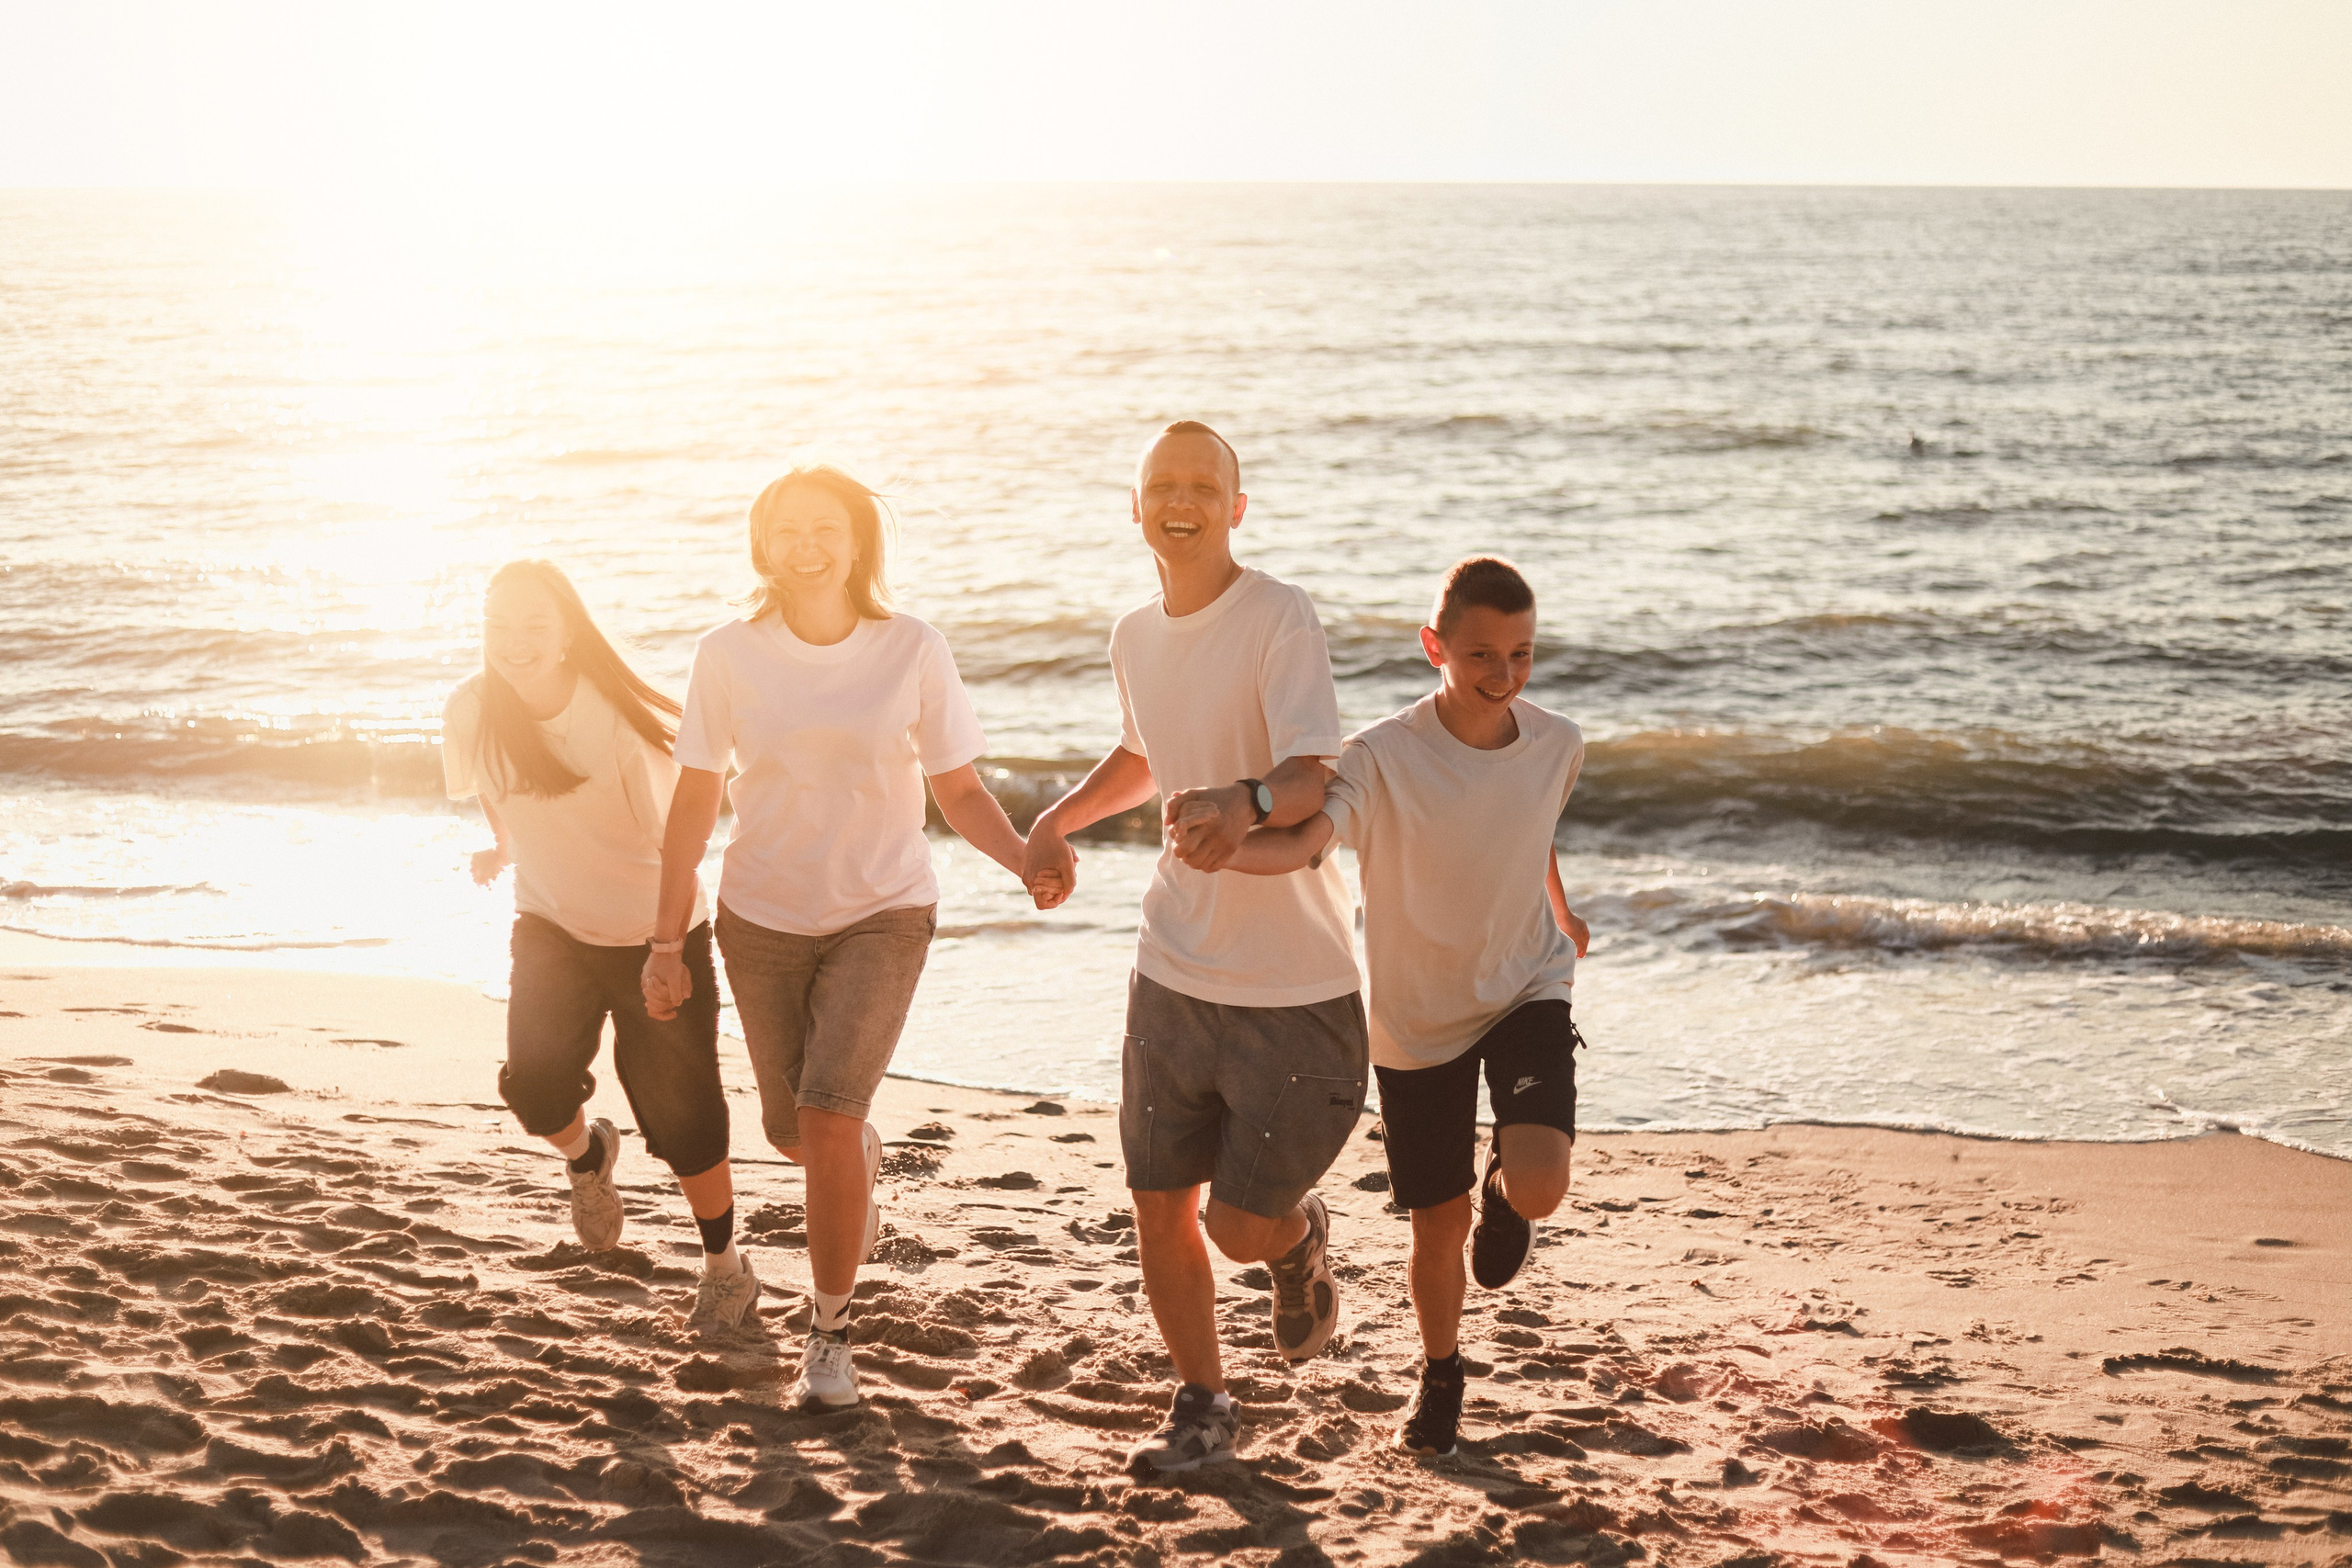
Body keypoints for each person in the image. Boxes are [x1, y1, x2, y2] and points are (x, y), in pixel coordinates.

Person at [642, 464, 1032, 1411]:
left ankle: (829, 1333)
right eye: (787, 529)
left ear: (857, 542)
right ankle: (852, 1152)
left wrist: (1023, 859)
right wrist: (663, 940)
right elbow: (696, 796)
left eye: (827, 528)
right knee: (795, 1131)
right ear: (762, 543)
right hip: (761, 917)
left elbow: (958, 787)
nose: (807, 545)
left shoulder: (912, 649)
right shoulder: (728, 655)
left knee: (824, 1119)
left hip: (883, 911)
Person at [1188, 555, 1589, 1459]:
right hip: (1414, 1019)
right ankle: (1441, 1373)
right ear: (1433, 647)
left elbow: (1532, 831)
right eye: (1482, 655)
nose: (1504, 676)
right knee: (1434, 1226)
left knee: (1540, 1181)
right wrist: (1227, 851)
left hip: (1527, 980)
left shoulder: (1559, 742)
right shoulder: (1382, 756)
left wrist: (1561, 915)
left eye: (1522, 655)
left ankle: (1507, 1193)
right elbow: (1308, 843)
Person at [1023, 422, 1366, 1474]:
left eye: (1202, 485)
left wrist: (1247, 800)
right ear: (1134, 509)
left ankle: (1297, 1240)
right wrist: (1054, 821)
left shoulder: (1276, 616)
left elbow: (1317, 772)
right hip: (1171, 964)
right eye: (1160, 485)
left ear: (1235, 507)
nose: (1181, 500)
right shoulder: (1134, 633)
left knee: (1237, 1229)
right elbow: (1142, 750)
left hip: (1295, 985)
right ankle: (1202, 1401)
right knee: (1157, 1203)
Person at [444, 558, 753, 1331]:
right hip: (550, 923)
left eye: (534, 626)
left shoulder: (621, 726)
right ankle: (589, 1158)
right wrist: (502, 844)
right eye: (499, 626)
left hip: (655, 931)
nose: (514, 643)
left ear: (568, 632)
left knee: (682, 1117)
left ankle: (724, 1267)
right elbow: (494, 780)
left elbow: (680, 848)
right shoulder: (472, 708)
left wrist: (665, 950)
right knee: (535, 1088)